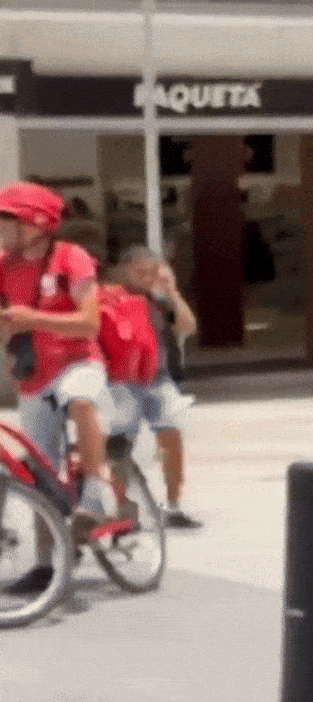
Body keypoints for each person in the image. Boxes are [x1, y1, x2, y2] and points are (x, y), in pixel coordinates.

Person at [0, 181, 118, 592]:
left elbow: (89, 323)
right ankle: (48, 564)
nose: (1, 226)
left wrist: (34, 318)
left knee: (81, 400)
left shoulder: (72, 258)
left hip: (77, 361)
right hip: (32, 374)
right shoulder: (4, 264)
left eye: (8, 218)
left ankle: (97, 491)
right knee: (38, 469)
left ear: (35, 223)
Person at [109, 245, 202, 529]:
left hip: (158, 379)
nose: (147, 278)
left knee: (172, 438)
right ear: (126, 270)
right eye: (141, 272)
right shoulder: (110, 297)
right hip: (121, 383)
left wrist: (172, 292)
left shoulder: (158, 301)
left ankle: (173, 505)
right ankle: (124, 508)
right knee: (120, 447)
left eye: (152, 272)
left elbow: (188, 327)